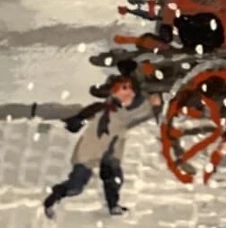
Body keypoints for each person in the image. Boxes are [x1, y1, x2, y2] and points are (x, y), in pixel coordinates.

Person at [43, 73, 160, 218]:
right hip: (90, 151)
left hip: (110, 153)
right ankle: (52, 199)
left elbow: (138, 117)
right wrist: (75, 121)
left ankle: (113, 206)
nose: (129, 93)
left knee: (113, 178)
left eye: (131, 89)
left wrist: (153, 107)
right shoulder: (102, 109)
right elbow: (81, 118)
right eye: (124, 88)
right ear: (113, 90)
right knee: (76, 185)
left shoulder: (122, 112)